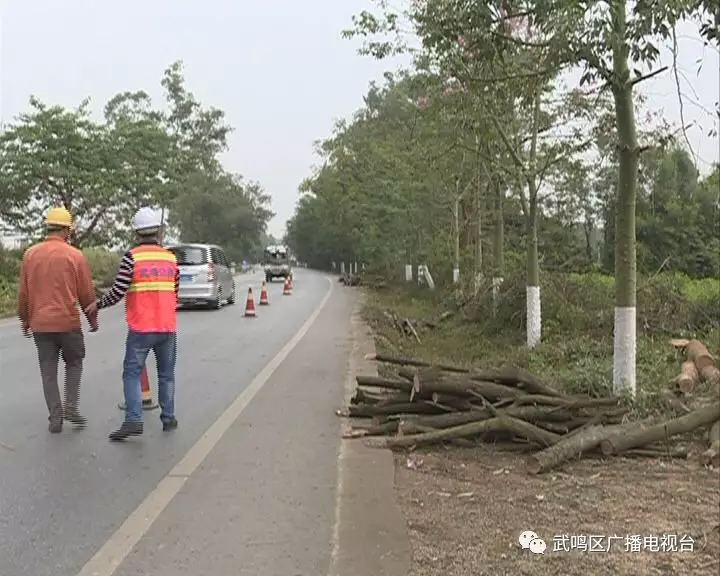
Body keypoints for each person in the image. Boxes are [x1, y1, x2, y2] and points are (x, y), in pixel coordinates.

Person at [85, 206, 179, 441]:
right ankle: (168, 418)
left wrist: (98, 304)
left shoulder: (132, 257)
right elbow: (175, 290)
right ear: (157, 232)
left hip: (141, 327)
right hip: (167, 326)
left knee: (131, 373)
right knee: (166, 375)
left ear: (136, 233)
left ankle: (134, 420)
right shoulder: (170, 257)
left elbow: (118, 291)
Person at [17, 207, 98, 433]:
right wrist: (92, 319)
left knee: (47, 369)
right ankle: (71, 406)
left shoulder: (30, 255)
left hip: (40, 324)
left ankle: (55, 416)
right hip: (68, 323)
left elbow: (24, 293)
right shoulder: (75, 256)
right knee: (74, 363)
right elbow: (87, 293)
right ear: (67, 230)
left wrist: (25, 319)